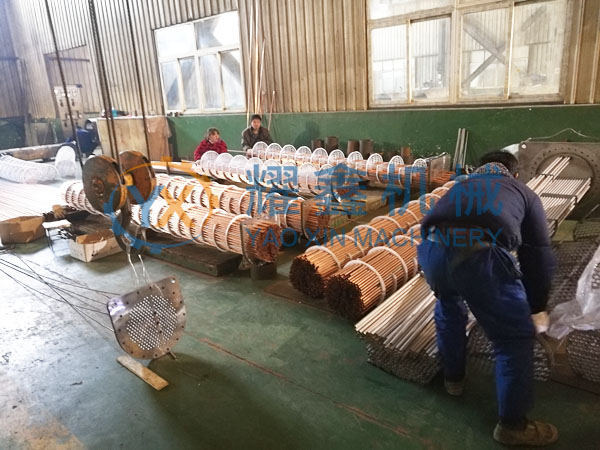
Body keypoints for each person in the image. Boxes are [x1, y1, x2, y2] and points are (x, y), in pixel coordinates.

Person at [417, 151, 558, 446]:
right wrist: (537, 307)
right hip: (478, 258)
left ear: (478, 170)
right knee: (513, 339)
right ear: (515, 175)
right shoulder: (523, 192)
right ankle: (513, 426)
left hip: (430, 251)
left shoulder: (460, 186)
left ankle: (453, 380)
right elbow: (538, 255)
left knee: (448, 307)